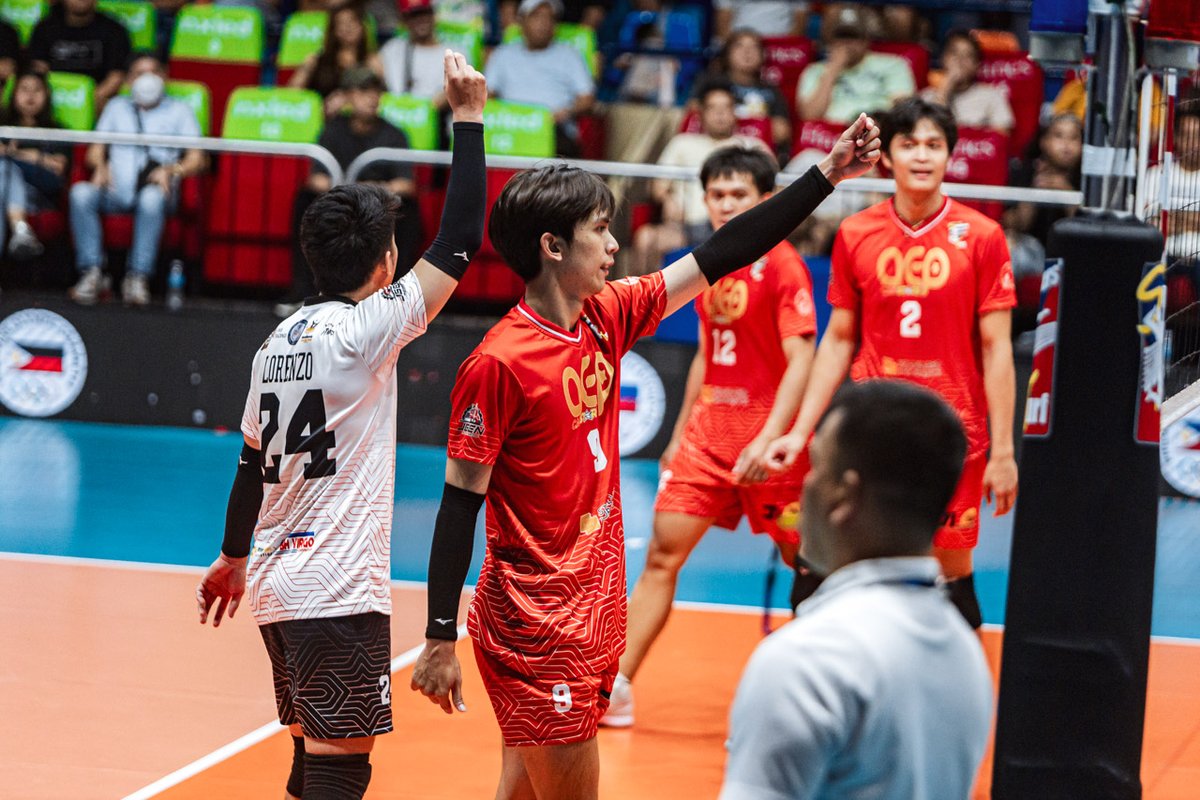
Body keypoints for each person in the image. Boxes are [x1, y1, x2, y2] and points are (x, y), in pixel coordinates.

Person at [409, 111, 880, 800]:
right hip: (539, 628)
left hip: (594, 609)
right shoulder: (499, 364)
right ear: (551, 246)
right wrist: (439, 638)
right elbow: (458, 506)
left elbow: (726, 251)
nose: (614, 243)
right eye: (599, 230)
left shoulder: (610, 313)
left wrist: (828, 174)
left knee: (520, 791)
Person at [194, 52, 487, 800]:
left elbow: (248, 467)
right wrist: (468, 118)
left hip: (275, 586)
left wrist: (232, 557)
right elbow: (457, 243)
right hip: (338, 591)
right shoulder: (367, 330)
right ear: (386, 261)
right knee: (340, 772)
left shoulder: (274, 346)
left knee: (310, 762)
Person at [764, 98, 1019, 630]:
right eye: (909, 144)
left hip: (953, 430)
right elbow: (837, 340)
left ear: (950, 155)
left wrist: (1004, 452)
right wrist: (801, 430)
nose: (921, 156)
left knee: (952, 570)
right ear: (888, 158)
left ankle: (954, 701)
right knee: (825, 558)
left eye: (933, 145)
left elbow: (998, 350)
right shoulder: (856, 232)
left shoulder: (982, 236)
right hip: (870, 426)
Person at [601, 146, 819, 729]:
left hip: (771, 447)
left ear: (766, 200)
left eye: (739, 194)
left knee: (813, 566)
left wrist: (774, 437)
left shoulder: (784, 265)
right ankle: (617, 687)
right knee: (662, 557)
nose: (726, 204)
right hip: (706, 439)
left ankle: (814, 696)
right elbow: (706, 355)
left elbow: (804, 358)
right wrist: (679, 433)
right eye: (717, 194)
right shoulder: (709, 264)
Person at [721, 380, 993, 800]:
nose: (804, 485)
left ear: (844, 494)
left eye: (815, 468)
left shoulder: (806, 660)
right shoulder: (966, 653)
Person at [277, 67, 418, 317]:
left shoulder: (394, 134)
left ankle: (398, 301)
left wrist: (367, 191)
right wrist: (349, 191)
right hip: (340, 206)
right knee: (304, 201)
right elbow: (316, 177)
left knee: (409, 211)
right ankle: (302, 292)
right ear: (349, 96)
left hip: (378, 208)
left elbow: (406, 184)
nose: (373, 97)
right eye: (364, 91)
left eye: (376, 91)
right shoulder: (334, 130)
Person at [67, 54, 206, 306]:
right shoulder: (116, 107)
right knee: (80, 193)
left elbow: (198, 158)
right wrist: (101, 165)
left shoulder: (180, 110)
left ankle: (138, 276)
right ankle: (92, 272)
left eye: (153, 72)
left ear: (164, 77)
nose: (147, 79)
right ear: (129, 80)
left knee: (152, 199)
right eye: (140, 73)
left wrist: (171, 169)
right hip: (114, 190)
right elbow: (94, 151)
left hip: (156, 191)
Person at [629, 80, 770, 276]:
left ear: (735, 113)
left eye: (726, 108)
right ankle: (642, 304)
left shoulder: (752, 146)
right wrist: (667, 199)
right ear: (701, 114)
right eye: (713, 108)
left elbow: (775, 188)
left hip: (738, 228)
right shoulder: (682, 143)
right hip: (686, 227)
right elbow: (657, 187)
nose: (720, 114)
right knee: (646, 238)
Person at [484, 0, 595, 157]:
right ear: (521, 20)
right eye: (536, 16)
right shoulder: (502, 54)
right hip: (508, 129)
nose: (544, 23)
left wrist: (563, 113)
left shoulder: (570, 55)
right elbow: (488, 95)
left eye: (550, 18)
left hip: (554, 129)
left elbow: (587, 99)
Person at [796, 4, 915, 123]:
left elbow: (903, 111)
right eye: (841, 36)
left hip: (878, 130)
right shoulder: (815, 70)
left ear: (866, 39)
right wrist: (833, 69)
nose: (847, 43)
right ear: (830, 41)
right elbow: (810, 115)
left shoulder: (893, 65)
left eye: (853, 36)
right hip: (830, 136)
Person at [1, 70, 73, 261]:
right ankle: (20, 229)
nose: (30, 96)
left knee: (6, 170)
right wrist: (38, 158)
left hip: (40, 197)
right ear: (13, 94)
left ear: (47, 95)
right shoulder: (4, 127)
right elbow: (48, 162)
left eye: (37, 90)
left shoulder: (57, 130)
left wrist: (14, 154)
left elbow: (57, 169)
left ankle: (20, 227)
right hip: (6, 193)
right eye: (24, 89)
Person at [696, 29, 792, 157]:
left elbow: (782, 132)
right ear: (727, 53)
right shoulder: (710, 82)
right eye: (739, 46)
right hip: (711, 147)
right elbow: (694, 116)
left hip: (755, 153)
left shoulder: (772, 90)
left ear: (763, 55)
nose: (747, 52)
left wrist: (733, 121)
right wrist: (755, 123)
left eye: (754, 47)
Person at [27, 0, 131, 113]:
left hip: (97, 100)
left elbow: (117, 76)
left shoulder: (114, 30)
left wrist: (88, 100)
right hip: (53, 98)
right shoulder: (44, 28)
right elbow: (38, 70)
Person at [289, 0, 385, 118]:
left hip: (357, 122)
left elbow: (381, 97)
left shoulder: (372, 61)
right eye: (341, 23)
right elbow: (292, 92)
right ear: (333, 29)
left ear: (362, 26)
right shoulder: (315, 59)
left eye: (352, 22)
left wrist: (346, 100)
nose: (348, 28)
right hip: (320, 119)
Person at [1004, 113, 1082, 245]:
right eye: (1058, 136)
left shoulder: (1088, 177)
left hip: (1073, 247)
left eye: (1074, 138)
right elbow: (1015, 224)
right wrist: (1035, 193)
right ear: (1043, 141)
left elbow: (1087, 228)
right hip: (1032, 249)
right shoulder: (1025, 170)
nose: (1066, 145)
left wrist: (1067, 193)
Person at [921, 30, 1013, 135]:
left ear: (976, 65)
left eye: (968, 55)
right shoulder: (926, 97)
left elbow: (1002, 138)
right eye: (954, 53)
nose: (960, 60)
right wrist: (945, 88)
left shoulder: (992, 96)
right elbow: (927, 133)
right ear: (943, 58)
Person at [380, 0, 447, 108]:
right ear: (404, 20)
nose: (420, 20)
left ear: (434, 15)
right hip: (397, 113)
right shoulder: (392, 49)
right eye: (413, 15)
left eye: (424, 13)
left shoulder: (454, 52)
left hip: (438, 117)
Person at [714, 0, 808, 40]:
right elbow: (723, 23)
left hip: (782, 46)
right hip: (741, 43)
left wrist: (783, 47)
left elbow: (800, 21)